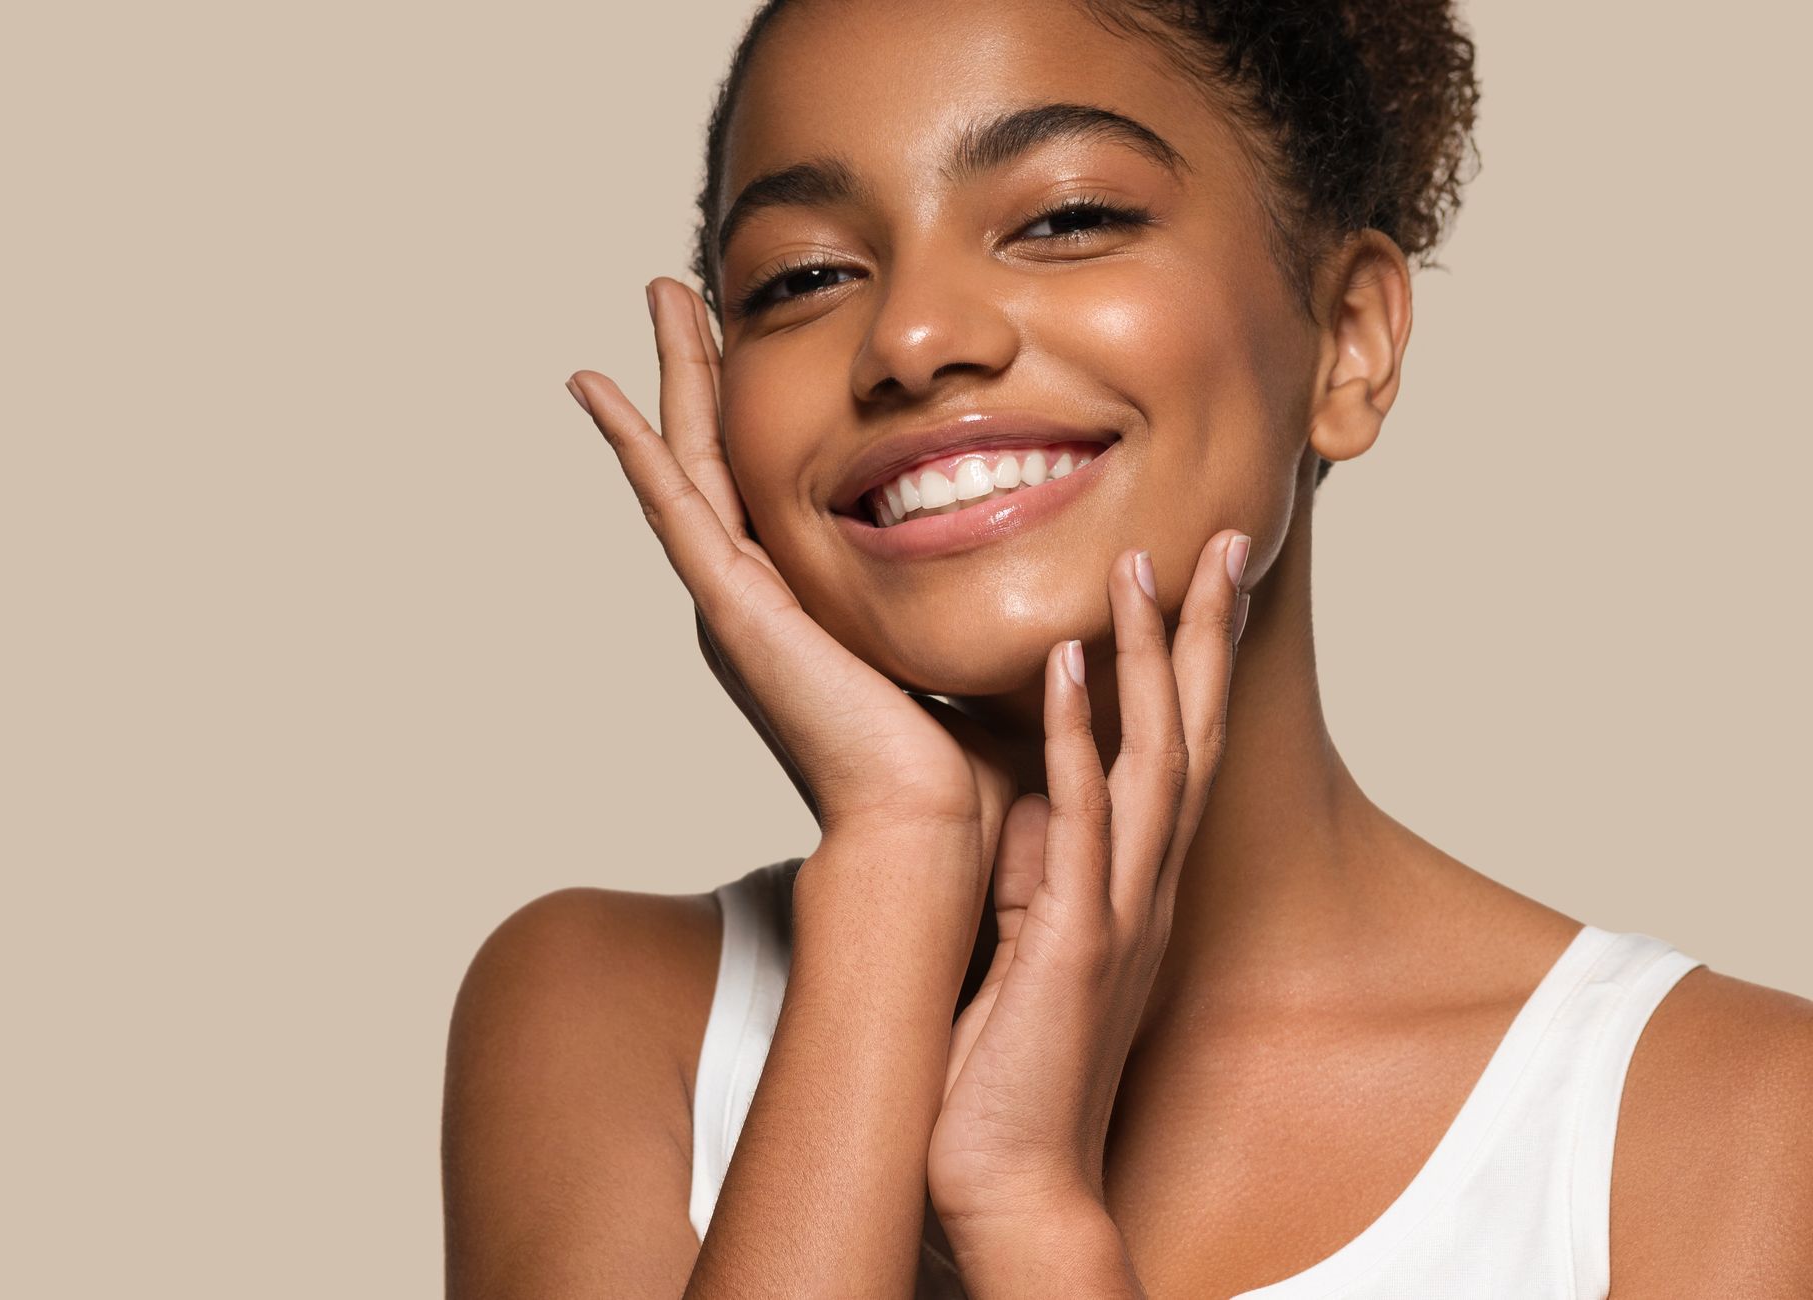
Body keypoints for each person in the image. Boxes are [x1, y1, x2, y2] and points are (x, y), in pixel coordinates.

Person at [442, 0, 1813, 1294]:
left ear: (1347, 341)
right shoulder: (607, 1016)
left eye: (1065, 218)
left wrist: (1028, 1213)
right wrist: (897, 864)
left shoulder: (1730, 1121)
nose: (909, 338)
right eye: (802, 278)